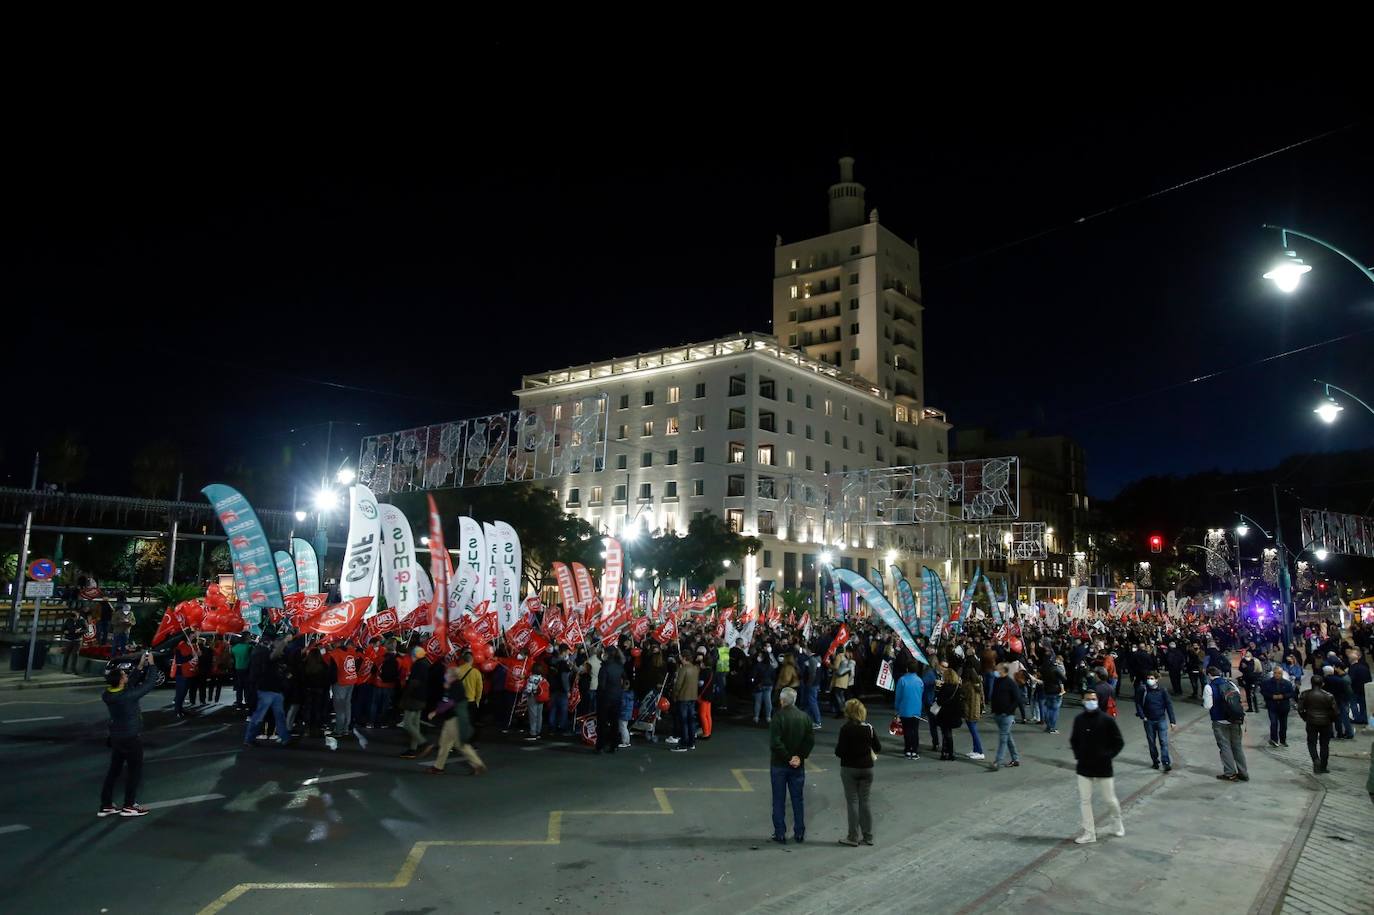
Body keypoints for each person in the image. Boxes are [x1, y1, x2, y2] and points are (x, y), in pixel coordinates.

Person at [99, 651, 160, 817]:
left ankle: (106, 804)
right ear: (120, 680)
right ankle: (129, 804)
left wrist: (140, 667)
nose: (126, 675)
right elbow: (149, 684)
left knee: (114, 770)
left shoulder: (109, 693)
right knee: (134, 771)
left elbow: (129, 685)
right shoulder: (127, 697)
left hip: (116, 737)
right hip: (130, 737)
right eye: (124, 674)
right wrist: (152, 665)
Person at [1069, 690, 1125, 844]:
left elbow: (1119, 741)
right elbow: (1074, 740)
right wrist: (1078, 755)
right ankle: (1089, 833)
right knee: (1084, 801)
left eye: (1093, 699)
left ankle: (1117, 821)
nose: (1091, 701)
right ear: (1083, 701)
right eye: (1088, 699)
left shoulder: (1107, 720)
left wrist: (1107, 755)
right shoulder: (1079, 719)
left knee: (1109, 799)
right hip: (1084, 767)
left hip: (1103, 767)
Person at [768, 687, 814, 844]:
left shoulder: (778, 717)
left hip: (779, 764)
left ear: (782, 700)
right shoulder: (805, 717)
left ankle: (780, 832)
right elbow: (809, 741)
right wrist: (799, 757)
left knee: (778, 800)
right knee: (797, 799)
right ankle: (799, 832)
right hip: (797, 766)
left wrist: (788, 757)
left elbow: (775, 743)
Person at [834, 697, 881, 847]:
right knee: (865, 802)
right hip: (867, 768)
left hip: (850, 769)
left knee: (852, 802)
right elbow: (878, 747)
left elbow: (840, 751)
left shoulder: (846, 729)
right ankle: (868, 836)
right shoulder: (869, 728)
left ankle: (853, 837)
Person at [427, 665, 486, 775]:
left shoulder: (456, 686)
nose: (445, 675)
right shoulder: (453, 685)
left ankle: (477, 764)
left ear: (452, 676)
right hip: (451, 719)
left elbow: (449, 703)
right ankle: (438, 767)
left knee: (459, 744)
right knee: (445, 743)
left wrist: (435, 712)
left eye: (447, 674)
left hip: (455, 719)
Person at [1202, 665, 1249, 782]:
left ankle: (1230, 773)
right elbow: (1238, 698)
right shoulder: (1231, 684)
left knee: (1225, 747)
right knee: (1237, 747)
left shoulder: (1209, 687)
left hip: (1219, 721)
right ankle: (1243, 773)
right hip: (1235, 720)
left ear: (1209, 675)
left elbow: (1208, 705)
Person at [243, 637, 292, 747]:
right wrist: (284, 642)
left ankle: (284, 738)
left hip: (271, 689)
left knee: (277, 716)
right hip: (267, 690)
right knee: (261, 716)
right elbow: (274, 656)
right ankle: (249, 738)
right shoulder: (263, 652)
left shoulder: (259, 652)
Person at [1133, 670, 1176, 771]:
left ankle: (1166, 762)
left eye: (1152, 678)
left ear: (1156, 680)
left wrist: (1172, 721)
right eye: (1148, 678)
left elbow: (1169, 705)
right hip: (1148, 721)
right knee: (1151, 742)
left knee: (1163, 742)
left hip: (1161, 720)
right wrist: (1142, 716)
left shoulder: (1162, 691)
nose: (1149, 680)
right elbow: (1138, 703)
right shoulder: (1143, 690)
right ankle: (1155, 761)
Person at [1297, 674, 1337, 774]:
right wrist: (1330, 719)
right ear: (1322, 684)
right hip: (1326, 722)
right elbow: (1335, 711)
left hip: (1311, 721)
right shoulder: (1329, 696)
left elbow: (1300, 709)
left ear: (1311, 683)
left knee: (1312, 743)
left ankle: (1315, 760)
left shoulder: (1305, 694)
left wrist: (1305, 717)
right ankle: (1323, 766)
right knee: (1325, 745)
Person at [398, 647, 432, 759]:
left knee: (407, 723)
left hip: (414, 697)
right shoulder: (426, 663)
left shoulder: (418, 665)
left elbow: (414, 682)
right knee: (416, 724)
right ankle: (413, 748)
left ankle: (424, 743)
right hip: (422, 697)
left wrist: (405, 696)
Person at [988, 663, 1021, 770]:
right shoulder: (997, 680)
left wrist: (1009, 711)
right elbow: (994, 695)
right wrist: (993, 710)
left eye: (998, 669)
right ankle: (1015, 758)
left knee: (1003, 738)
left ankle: (998, 761)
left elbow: (1017, 699)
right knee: (1007, 737)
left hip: (1006, 716)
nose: (996, 671)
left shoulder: (1010, 683)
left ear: (1004, 671)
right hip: (998, 714)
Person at [595, 647, 626, 754]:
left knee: (602, 723)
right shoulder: (620, 666)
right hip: (617, 696)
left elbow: (601, 685)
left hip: (605, 698)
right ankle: (614, 745)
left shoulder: (605, 667)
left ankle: (601, 746)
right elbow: (625, 680)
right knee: (614, 722)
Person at [893, 660, 924, 760]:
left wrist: (897, 709)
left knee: (906, 731)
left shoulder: (902, 680)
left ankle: (907, 750)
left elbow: (898, 696)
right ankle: (914, 751)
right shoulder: (920, 681)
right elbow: (921, 694)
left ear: (907, 669)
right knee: (915, 731)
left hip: (905, 709)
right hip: (916, 710)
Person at [669, 651, 699, 751]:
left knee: (684, 721)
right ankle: (692, 742)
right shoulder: (695, 668)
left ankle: (684, 743)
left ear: (685, 658)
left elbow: (678, 685)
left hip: (683, 698)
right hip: (693, 697)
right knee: (691, 720)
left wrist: (674, 695)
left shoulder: (683, 669)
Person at [934, 664, 964, 761]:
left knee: (946, 733)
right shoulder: (957, 688)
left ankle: (949, 753)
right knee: (947, 733)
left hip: (945, 714)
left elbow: (939, 701)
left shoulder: (945, 688)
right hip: (954, 714)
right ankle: (946, 752)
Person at [1262, 665, 1296, 748]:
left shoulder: (1287, 683)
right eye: (1275, 673)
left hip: (1283, 707)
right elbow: (1263, 692)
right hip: (1272, 706)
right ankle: (1274, 740)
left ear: (1282, 674)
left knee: (1283, 725)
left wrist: (1283, 696)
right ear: (1273, 673)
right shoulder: (1267, 682)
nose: (1277, 675)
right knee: (1273, 723)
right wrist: (1271, 696)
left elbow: (1291, 693)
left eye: (1279, 673)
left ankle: (1283, 740)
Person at [961, 657, 986, 760]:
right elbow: (982, 697)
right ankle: (976, 749)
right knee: (974, 730)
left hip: (970, 710)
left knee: (973, 731)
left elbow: (963, 696)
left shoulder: (967, 685)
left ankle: (979, 751)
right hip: (976, 710)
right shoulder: (978, 683)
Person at [830, 650, 854, 718]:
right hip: (845, 679)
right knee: (841, 695)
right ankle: (844, 710)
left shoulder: (839, 656)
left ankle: (840, 711)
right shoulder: (847, 655)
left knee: (837, 695)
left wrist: (829, 665)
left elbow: (836, 667)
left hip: (838, 679)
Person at [230, 635, 253, 707]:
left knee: (239, 686)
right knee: (247, 686)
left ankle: (238, 701)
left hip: (237, 668)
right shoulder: (249, 647)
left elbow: (232, 657)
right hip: (247, 668)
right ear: (246, 639)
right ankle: (247, 701)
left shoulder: (234, 648)